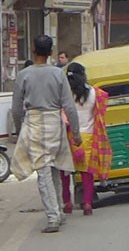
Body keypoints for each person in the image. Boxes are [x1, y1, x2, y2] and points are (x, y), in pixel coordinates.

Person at [10, 34, 81, 233]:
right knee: (55, 167)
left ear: (33, 50)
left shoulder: (24, 75)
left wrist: (18, 129)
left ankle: (52, 217)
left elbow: (16, 108)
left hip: (34, 123)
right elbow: (69, 106)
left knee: (43, 170)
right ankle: (57, 209)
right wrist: (76, 133)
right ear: (51, 52)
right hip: (54, 122)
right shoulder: (58, 74)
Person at [61, 62, 111, 216]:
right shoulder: (96, 93)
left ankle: (67, 202)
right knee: (86, 174)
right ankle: (87, 203)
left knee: (65, 173)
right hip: (87, 137)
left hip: (69, 135)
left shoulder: (65, 94)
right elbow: (101, 112)